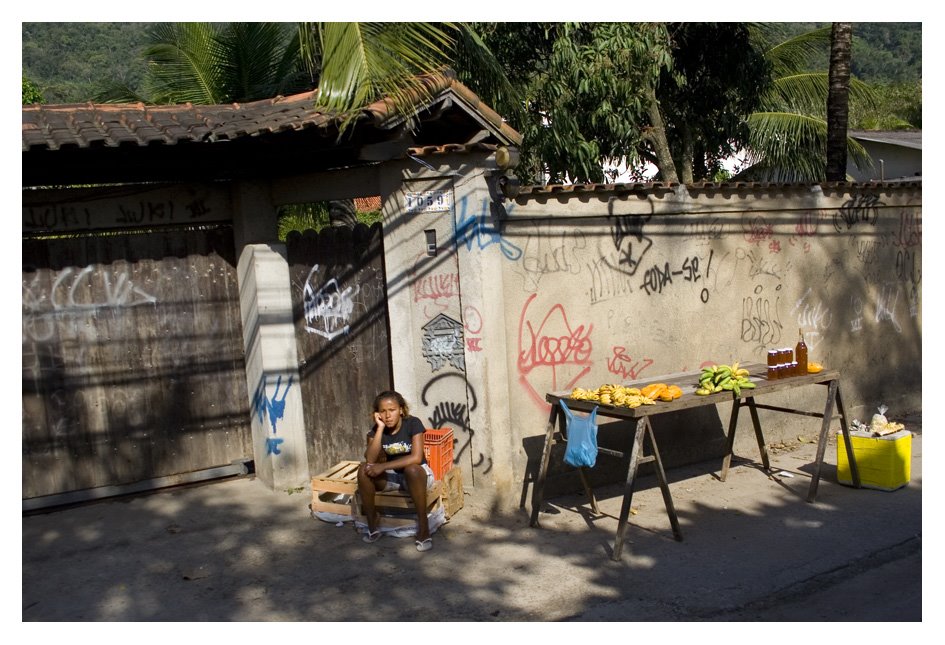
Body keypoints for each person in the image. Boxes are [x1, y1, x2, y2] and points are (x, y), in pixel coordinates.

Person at [357, 390, 435, 552]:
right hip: (393, 477)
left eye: (392, 410)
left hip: (416, 477)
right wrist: (379, 429)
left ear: (401, 409)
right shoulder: (377, 429)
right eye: (383, 411)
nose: (388, 415)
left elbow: (416, 457)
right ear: (378, 414)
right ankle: (373, 523)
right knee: (363, 469)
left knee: (412, 469)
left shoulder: (413, 424)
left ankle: (423, 526)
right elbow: (370, 459)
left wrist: (383, 466)